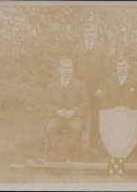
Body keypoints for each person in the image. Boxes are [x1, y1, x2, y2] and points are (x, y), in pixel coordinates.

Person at [72, 23, 110, 156]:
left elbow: (107, 71)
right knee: (79, 115)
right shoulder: (77, 49)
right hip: (80, 90)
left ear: (96, 34)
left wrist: (101, 88)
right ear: (84, 34)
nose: (89, 34)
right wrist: (75, 88)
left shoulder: (101, 49)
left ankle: (94, 145)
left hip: (96, 91)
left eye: (92, 32)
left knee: (95, 117)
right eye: (87, 32)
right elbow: (74, 70)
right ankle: (76, 145)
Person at [45, 58, 89, 161]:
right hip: (57, 117)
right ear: (59, 70)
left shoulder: (80, 85)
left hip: (74, 117)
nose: (66, 70)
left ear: (72, 70)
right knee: (49, 129)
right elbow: (46, 105)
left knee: (77, 129)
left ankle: (62, 155)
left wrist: (74, 111)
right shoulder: (51, 86)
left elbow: (85, 103)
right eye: (64, 68)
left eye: (69, 68)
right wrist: (57, 111)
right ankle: (66, 155)